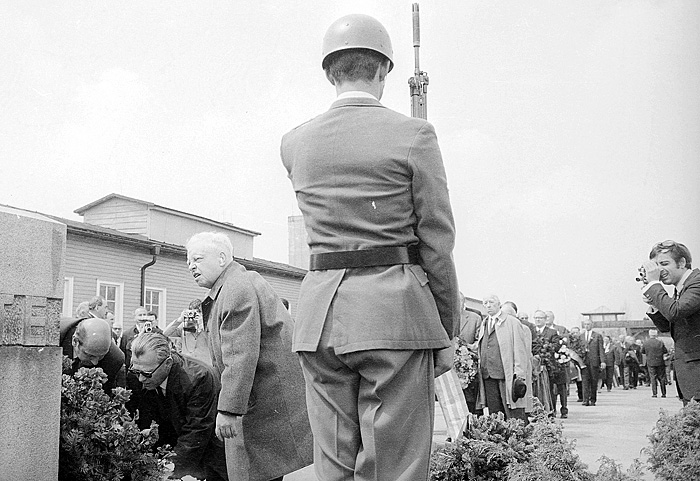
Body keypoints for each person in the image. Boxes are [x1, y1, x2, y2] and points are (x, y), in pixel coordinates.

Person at [280, 14, 460, 481]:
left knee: (333, 465)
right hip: (394, 315)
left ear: (328, 72)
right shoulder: (415, 135)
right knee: (394, 467)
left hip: (319, 317)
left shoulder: (295, 142)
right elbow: (436, 240)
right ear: (383, 70)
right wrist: (445, 328)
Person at [186, 231, 312, 481]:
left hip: (261, 407)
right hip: (268, 404)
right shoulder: (237, 283)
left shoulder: (234, 289)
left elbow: (239, 355)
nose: (191, 266)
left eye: (198, 259)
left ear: (222, 258)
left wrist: (229, 410)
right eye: (188, 261)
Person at [129, 332, 228, 481]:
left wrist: (167, 471)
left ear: (168, 363)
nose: (141, 379)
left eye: (147, 374)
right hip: (176, 446)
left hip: (208, 454)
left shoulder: (199, 378)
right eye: (136, 372)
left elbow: (196, 433)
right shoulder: (144, 370)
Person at [642, 240, 700, 403]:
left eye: (664, 263)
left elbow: (675, 312)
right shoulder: (680, 289)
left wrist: (653, 285)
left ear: (682, 262)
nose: (659, 270)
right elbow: (667, 326)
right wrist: (654, 305)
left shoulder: (697, 282)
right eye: (656, 265)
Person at [476, 295, 530, 422]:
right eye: (485, 303)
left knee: (512, 411)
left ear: (499, 304)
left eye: (491, 302)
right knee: (494, 412)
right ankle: (499, 439)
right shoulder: (485, 323)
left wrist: (519, 373)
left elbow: (520, 350)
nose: (488, 305)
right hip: (488, 374)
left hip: (506, 375)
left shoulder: (512, 322)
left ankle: (517, 438)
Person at [60, 316, 126, 393]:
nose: (95, 362)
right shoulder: (56, 336)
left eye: (101, 356)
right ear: (75, 341)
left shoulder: (114, 359)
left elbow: (103, 396)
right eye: (90, 355)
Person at [163, 299, 211, 365]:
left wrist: (202, 325)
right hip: (188, 365)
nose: (195, 316)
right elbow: (166, 333)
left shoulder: (209, 325)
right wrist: (180, 319)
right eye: (192, 313)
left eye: (198, 312)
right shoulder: (185, 326)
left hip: (205, 365)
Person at [580, 319, 605, 406]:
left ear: (592, 325)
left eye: (588, 324)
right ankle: (585, 399)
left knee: (594, 380)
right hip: (584, 361)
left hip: (594, 361)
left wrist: (602, 361)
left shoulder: (597, 336)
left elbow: (601, 349)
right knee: (585, 380)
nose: (587, 326)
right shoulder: (581, 336)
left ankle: (592, 399)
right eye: (585, 324)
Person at [642, 329, 669, 398]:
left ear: (649, 334)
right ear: (656, 335)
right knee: (662, 377)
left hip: (650, 362)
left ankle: (654, 393)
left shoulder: (646, 343)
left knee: (653, 377)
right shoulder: (660, 342)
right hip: (660, 362)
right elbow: (665, 351)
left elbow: (643, 352)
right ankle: (663, 393)